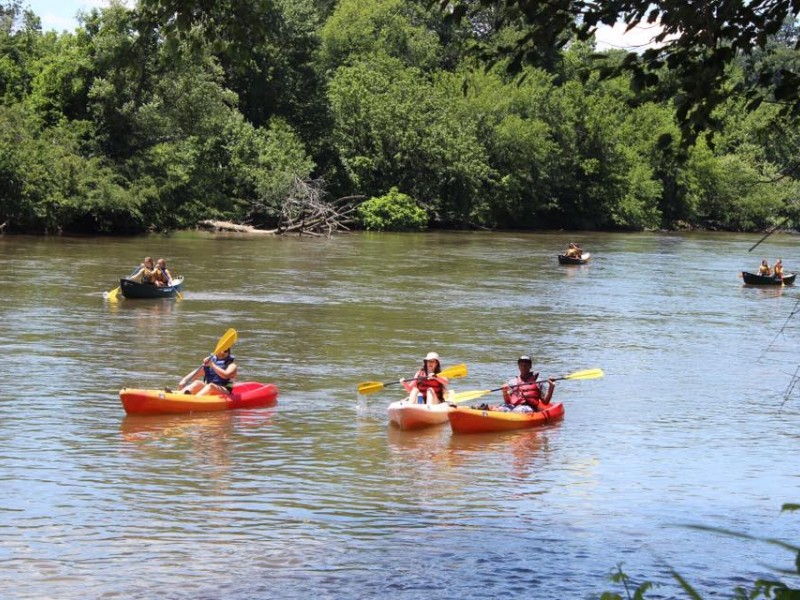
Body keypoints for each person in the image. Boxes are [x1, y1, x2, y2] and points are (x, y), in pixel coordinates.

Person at [488, 355, 555, 413]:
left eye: (526, 365)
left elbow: (545, 402)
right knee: (495, 408)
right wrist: (505, 393)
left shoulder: (538, 382)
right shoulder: (513, 382)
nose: (523, 367)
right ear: (518, 366)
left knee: (518, 410)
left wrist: (551, 387)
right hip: (513, 406)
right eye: (521, 365)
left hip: (529, 408)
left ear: (530, 366)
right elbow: (508, 401)